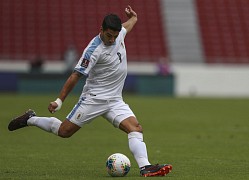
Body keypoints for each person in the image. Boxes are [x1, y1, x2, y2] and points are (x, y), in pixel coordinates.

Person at [8, 5, 172, 177]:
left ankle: (145, 167)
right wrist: (59, 100)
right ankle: (31, 119)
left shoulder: (118, 35)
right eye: (109, 36)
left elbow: (127, 26)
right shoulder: (93, 50)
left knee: (136, 128)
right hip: (93, 99)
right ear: (101, 29)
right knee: (64, 132)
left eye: (115, 36)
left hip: (115, 100)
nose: (111, 40)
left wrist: (135, 18)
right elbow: (75, 76)